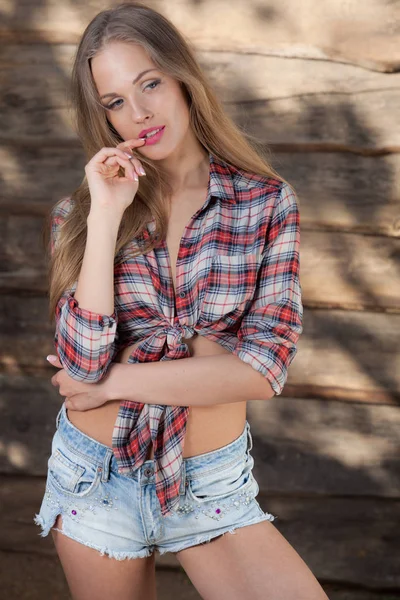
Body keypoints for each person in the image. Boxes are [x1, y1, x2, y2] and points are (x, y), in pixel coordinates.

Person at [33, 2, 328, 599]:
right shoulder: (82, 214)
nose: (137, 113)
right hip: (94, 477)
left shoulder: (265, 204)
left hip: (210, 487)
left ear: (182, 78)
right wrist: (107, 215)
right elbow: (82, 361)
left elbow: (262, 369)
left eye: (150, 84)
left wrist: (114, 384)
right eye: (115, 102)